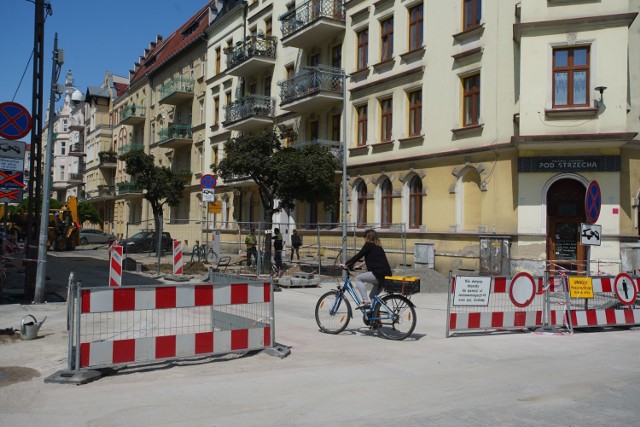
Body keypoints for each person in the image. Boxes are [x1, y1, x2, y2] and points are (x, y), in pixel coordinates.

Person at [341, 229, 392, 309]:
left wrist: (347, 264)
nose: (364, 240)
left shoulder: (368, 245)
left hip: (378, 274)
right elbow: (371, 258)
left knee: (358, 278)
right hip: (385, 275)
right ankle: (377, 319)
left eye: (364, 238)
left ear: (367, 237)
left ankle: (365, 301)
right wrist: (360, 265)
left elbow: (359, 255)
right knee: (372, 297)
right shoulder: (378, 246)